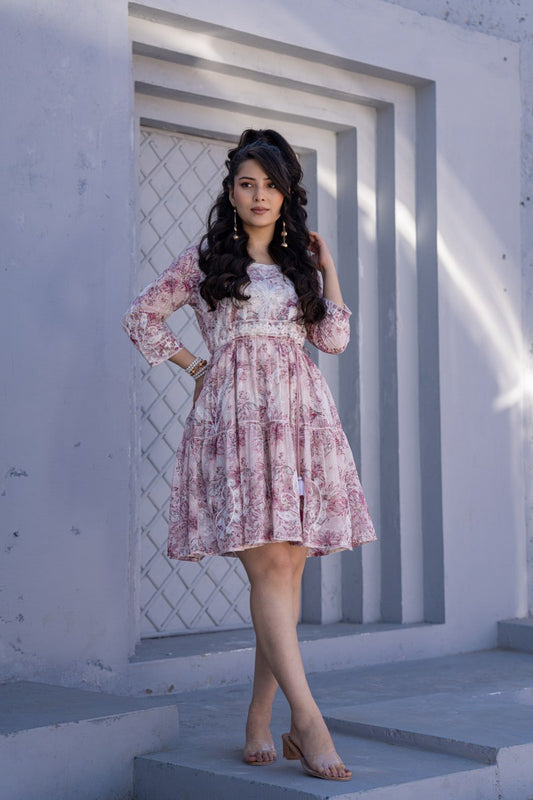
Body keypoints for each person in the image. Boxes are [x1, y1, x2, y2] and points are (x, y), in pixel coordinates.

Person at [123, 128, 377, 782]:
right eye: (245, 183)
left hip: (298, 419)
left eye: (269, 183)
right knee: (267, 566)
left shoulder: (299, 262)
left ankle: (260, 719)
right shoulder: (208, 256)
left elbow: (335, 340)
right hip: (234, 420)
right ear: (230, 192)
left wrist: (328, 269)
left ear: (285, 191)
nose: (258, 195)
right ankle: (308, 720)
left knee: (287, 568)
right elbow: (141, 316)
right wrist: (192, 366)